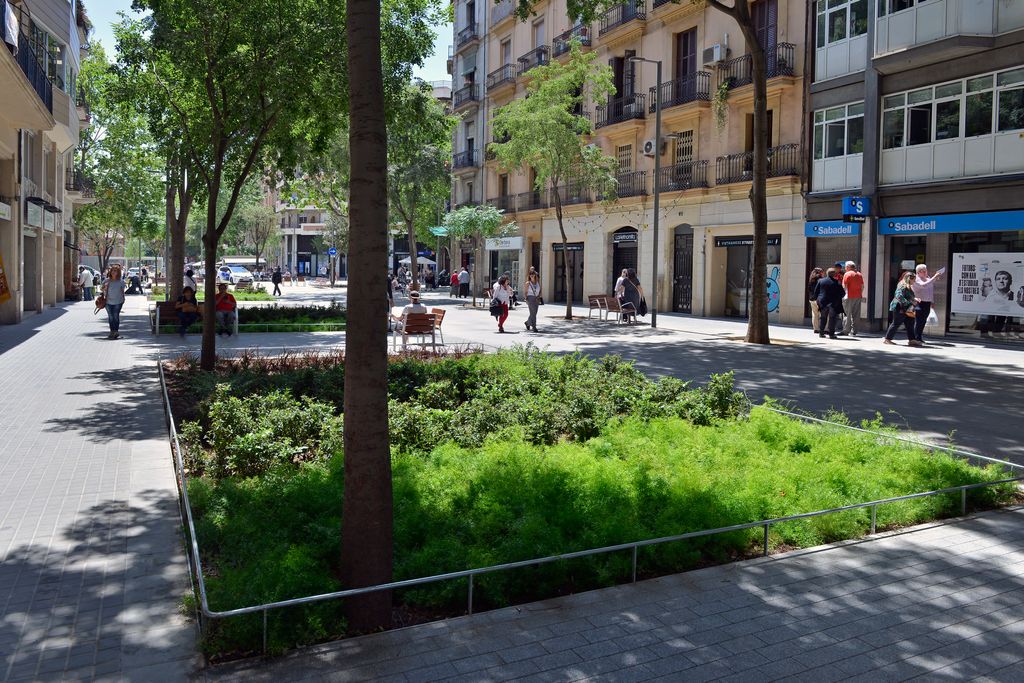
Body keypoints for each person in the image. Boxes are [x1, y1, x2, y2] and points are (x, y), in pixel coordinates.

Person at [884, 272, 921, 346]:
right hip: (900, 307)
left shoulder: (908, 286)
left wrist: (914, 299)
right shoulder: (902, 285)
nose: (914, 281)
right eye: (914, 280)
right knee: (896, 323)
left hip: (907, 308)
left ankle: (912, 340)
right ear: (909, 279)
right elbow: (899, 296)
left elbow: (907, 296)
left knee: (910, 323)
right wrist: (909, 302)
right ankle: (887, 339)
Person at [912, 263, 944, 344]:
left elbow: (930, 290)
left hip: (927, 302)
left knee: (923, 321)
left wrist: (932, 301)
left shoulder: (928, 278)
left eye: (926, 270)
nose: (925, 272)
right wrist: (934, 277)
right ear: (918, 272)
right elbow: (923, 286)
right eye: (923, 271)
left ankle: (919, 337)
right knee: (919, 320)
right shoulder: (916, 279)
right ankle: (915, 338)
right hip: (919, 302)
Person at [813, 267, 844, 339]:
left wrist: (817, 300)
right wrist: (838, 298)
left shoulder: (821, 281)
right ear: (834, 274)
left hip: (823, 302)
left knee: (823, 317)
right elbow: (842, 293)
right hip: (833, 303)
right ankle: (831, 334)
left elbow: (816, 292)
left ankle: (821, 333)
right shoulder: (837, 282)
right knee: (832, 318)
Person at [101, 265, 127, 340]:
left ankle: (116, 331)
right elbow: (102, 289)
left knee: (115, 316)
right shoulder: (106, 280)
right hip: (108, 301)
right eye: (112, 270)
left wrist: (123, 298)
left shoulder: (121, 281)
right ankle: (112, 332)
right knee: (110, 317)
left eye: (115, 271)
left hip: (118, 301)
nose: (113, 272)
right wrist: (104, 287)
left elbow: (122, 291)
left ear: (118, 272)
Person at [840, 261, 865, 337]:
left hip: (848, 296)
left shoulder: (847, 274)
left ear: (848, 267)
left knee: (847, 314)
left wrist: (844, 295)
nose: (845, 268)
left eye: (845, 267)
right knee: (856, 314)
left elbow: (844, 286)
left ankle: (846, 330)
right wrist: (860, 294)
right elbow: (862, 286)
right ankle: (854, 331)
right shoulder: (859, 274)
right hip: (858, 296)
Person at [807, 267, 824, 334]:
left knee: (814, 314)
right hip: (819, 299)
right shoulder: (821, 280)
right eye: (822, 271)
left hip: (812, 299)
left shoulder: (811, 279)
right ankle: (823, 328)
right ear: (820, 272)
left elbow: (809, 289)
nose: (823, 273)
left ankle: (815, 329)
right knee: (822, 314)